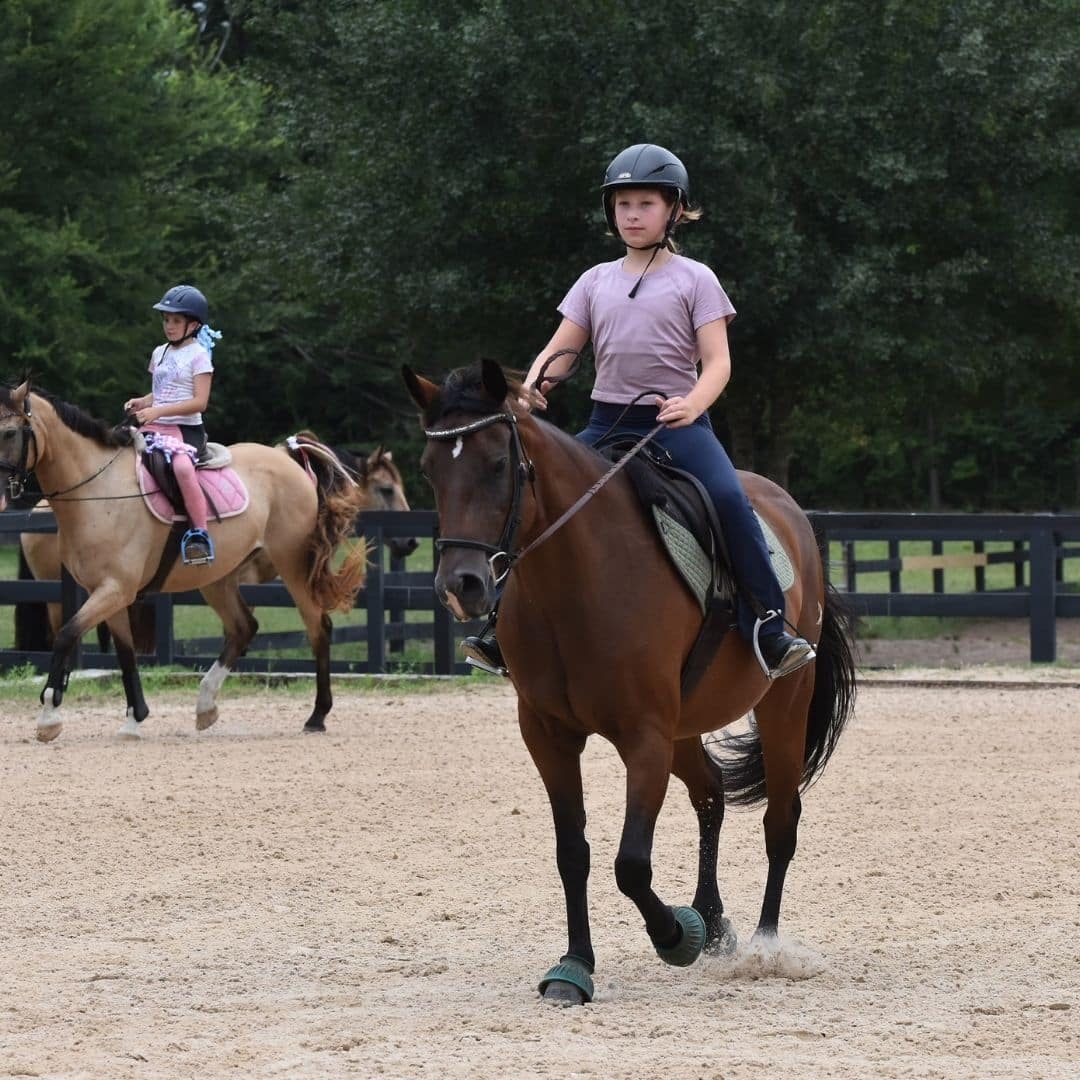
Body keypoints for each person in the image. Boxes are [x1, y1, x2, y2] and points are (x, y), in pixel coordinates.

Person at [462, 143, 815, 680]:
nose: (631, 214)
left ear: (673, 209)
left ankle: (767, 623)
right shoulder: (595, 280)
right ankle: (501, 626)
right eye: (622, 204)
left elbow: (718, 363)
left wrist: (692, 402)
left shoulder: (696, 279)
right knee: (533, 494)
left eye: (645, 203)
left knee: (727, 499)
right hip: (606, 424)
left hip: (677, 425)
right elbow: (562, 349)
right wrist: (533, 388)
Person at [124, 284, 222, 566]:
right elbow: (164, 389)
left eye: (176, 320)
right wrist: (143, 402)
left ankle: (199, 535)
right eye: (166, 320)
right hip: (155, 425)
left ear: (193, 325)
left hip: (185, 431)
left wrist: (157, 411)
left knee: (180, 466)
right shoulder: (160, 352)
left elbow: (199, 401)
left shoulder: (199, 356)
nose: (169, 325)